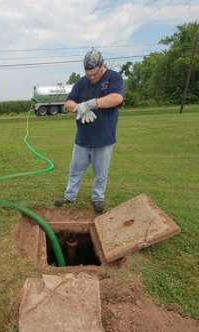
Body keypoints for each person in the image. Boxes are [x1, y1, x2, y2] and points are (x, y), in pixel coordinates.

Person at [54, 47, 125, 213]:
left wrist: (90, 104)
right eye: (88, 74)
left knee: (101, 172)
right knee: (75, 170)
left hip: (104, 138)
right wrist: (79, 107)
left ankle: (98, 198)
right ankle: (69, 197)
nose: (91, 77)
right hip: (83, 138)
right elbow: (68, 103)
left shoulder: (113, 77)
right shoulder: (82, 82)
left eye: (94, 74)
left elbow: (117, 98)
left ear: (101, 65)